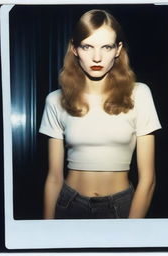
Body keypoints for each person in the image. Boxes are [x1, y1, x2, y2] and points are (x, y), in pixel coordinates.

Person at [39, 9, 161, 219]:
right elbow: (53, 178)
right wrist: (45, 233)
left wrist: (132, 231)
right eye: (87, 46)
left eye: (106, 47)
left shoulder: (140, 94)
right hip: (69, 205)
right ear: (74, 49)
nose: (97, 57)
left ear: (118, 49)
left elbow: (148, 178)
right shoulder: (55, 100)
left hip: (121, 207)